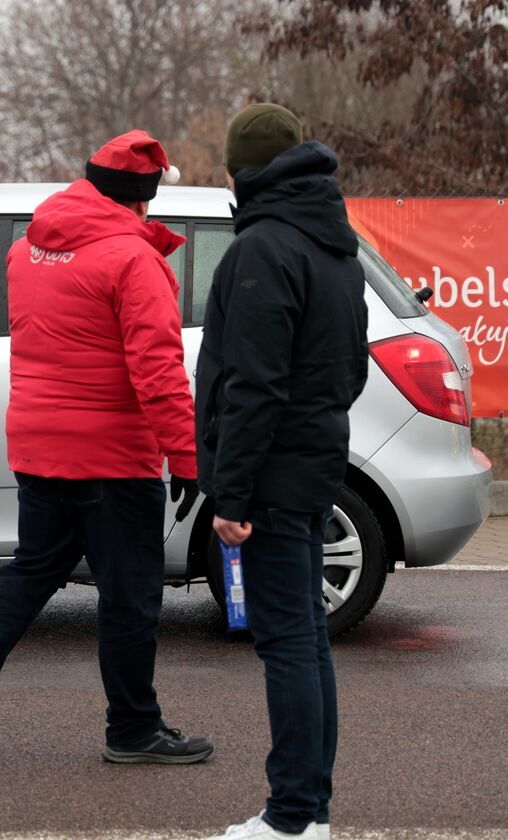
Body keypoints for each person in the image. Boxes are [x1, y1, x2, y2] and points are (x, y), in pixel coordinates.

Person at [0, 130, 210, 764]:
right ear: (140, 200)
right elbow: (157, 371)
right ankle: (134, 729)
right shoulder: (135, 262)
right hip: (111, 456)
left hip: (38, 445)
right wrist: (185, 456)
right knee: (130, 594)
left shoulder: (27, 251)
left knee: (33, 569)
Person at [197, 104, 369, 840]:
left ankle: (295, 816)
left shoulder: (264, 248)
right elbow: (352, 370)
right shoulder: (335, 245)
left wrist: (231, 492)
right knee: (305, 638)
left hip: (269, 476)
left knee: (287, 642)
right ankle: (310, 810)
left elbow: (253, 383)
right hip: (313, 462)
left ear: (242, 172)